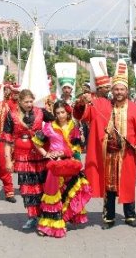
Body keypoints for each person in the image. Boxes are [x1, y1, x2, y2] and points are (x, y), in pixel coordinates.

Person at [73, 59, 136, 230]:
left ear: (127, 91)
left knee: (128, 184)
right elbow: (80, 115)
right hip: (107, 155)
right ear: (111, 90)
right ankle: (108, 217)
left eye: (122, 89)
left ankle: (130, 216)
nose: (119, 92)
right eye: (116, 89)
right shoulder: (100, 104)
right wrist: (82, 102)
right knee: (109, 187)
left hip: (127, 155)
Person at [32, 100, 91, 238]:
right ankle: (47, 226)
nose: (60, 115)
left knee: (69, 191)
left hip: (69, 164)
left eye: (62, 112)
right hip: (54, 166)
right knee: (53, 194)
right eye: (57, 113)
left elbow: (77, 147)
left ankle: (62, 220)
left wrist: (67, 154)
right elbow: (36, 142)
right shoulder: (48, 127)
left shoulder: (74, 126)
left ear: (67, 112)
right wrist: (46, 154)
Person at [3, 89, 54, 230]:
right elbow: (7, 140)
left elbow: (57, 123)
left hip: (40, 154)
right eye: (26, 102)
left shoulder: (41, 112)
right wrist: (8, 160)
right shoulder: (11, 115)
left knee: (43, 186)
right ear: (19, 101)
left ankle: (45, 215)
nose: (29, 104)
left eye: (31, 101)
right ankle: (32, 217)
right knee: (27, 188)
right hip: (22, 156)